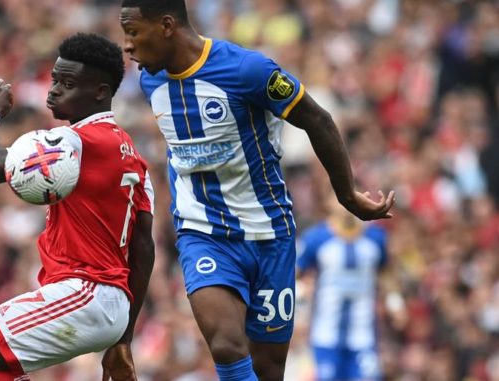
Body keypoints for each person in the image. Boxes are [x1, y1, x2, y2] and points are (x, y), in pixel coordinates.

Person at [118, 1, 395, 380]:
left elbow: (318, 119)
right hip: (204, 233)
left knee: (267, 369)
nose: (128, 46)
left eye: (133, 32)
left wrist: (347, 196)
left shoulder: (247, 70)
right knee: (226, 345)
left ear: (166, 26)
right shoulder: (151, 80)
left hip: (270, 236)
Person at [0, 33, 155, 381]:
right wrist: (123, 337)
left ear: (101, 91)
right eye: (54, 80)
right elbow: (142, 249)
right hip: (108, 305)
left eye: (67, 84)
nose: (53, 90)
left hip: (83, 293)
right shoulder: (137, 161)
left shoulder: (75, 142)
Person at [297, 196, 389, 381]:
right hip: (326, 336)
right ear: (329, 202)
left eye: (355, 196)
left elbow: (386, 277)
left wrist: (395, 303)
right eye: (340, 198)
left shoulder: (376, 238)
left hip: (364, 336)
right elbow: (296, 275)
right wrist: (301, 305)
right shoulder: (316, 238)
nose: (347, 205)